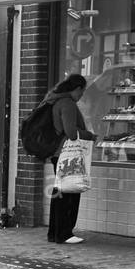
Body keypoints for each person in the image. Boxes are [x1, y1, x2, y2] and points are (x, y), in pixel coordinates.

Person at [42, 73, 96, 245]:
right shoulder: (67, 104)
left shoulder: (54, 100)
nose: (82, 95)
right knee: (70, 193)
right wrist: (90, 135)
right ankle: (65, 233)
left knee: (59, 193)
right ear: (76, 89)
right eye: (82, 91)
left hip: (57, 153)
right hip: (67, 154)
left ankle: (54, 233)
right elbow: (71, 133)